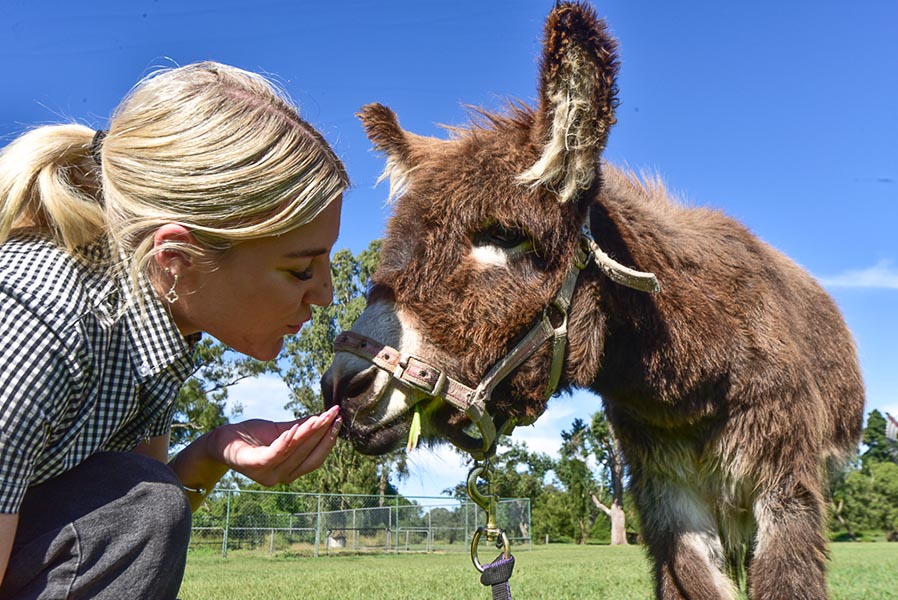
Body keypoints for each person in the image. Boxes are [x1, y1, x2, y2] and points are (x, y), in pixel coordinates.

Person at [0, 61, 348, 598]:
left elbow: (126, 533)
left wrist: (214, 450)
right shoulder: (35, 327)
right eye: (300, 269)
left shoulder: (160, 327)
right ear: (176, 258)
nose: (324, 294)